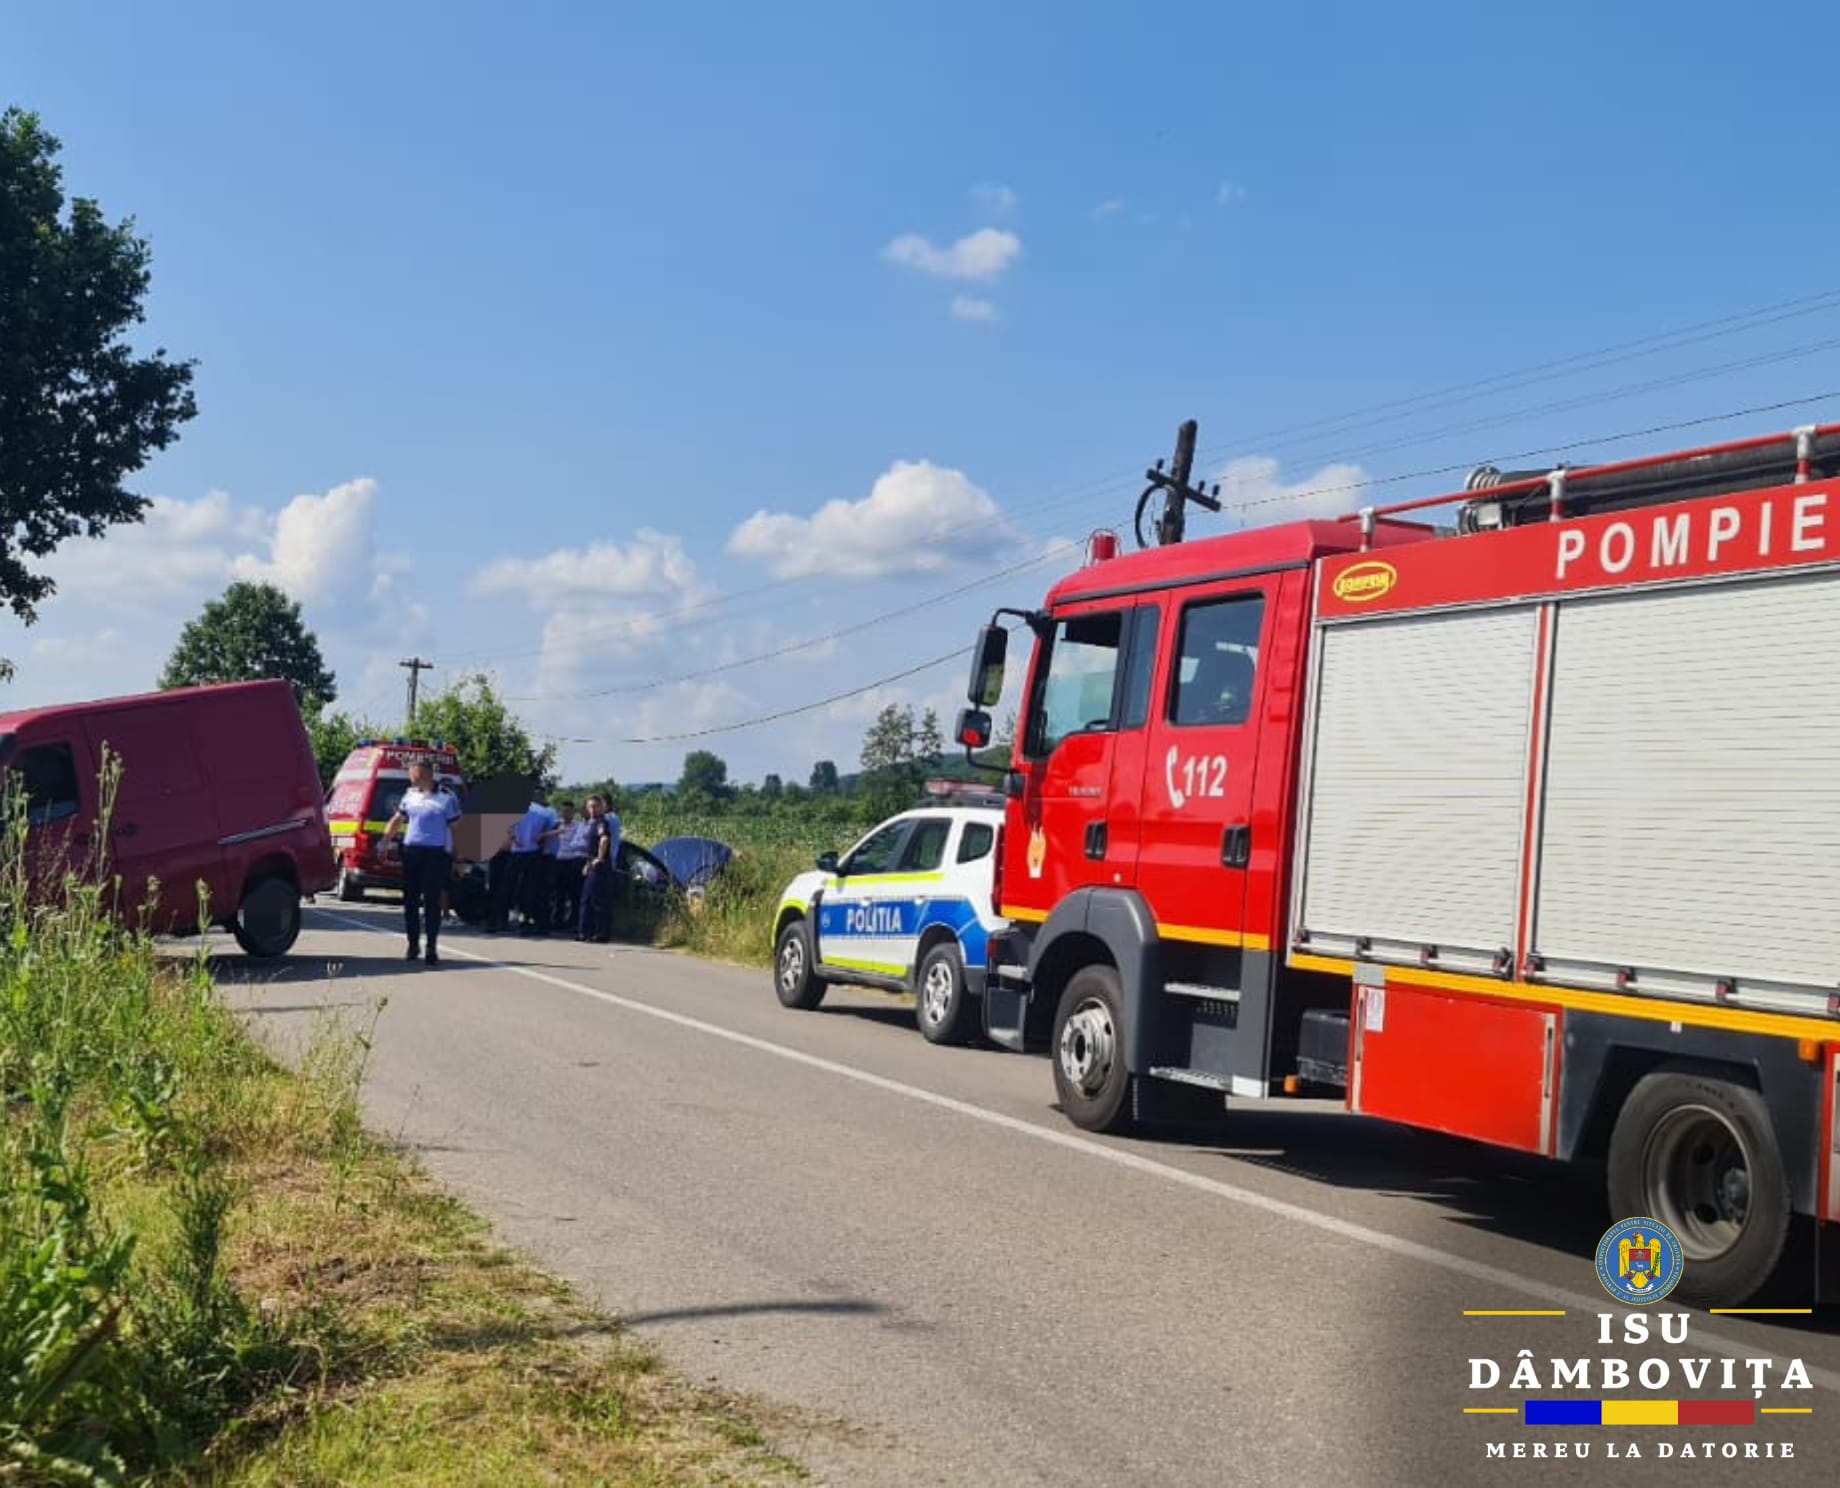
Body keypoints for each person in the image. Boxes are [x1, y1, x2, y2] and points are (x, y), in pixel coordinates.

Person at [384, 760, 462, 965]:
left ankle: (431, 947)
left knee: (432, 902)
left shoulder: (446, 798)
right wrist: (384, 842)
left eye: (414, 775)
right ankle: (412, 943)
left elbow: (457, 830)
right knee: (410, 901)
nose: (412, 778)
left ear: (426, 774)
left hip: (436, 854)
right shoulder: (410, 795)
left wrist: (459, 858)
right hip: (412, 852)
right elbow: (397, 820)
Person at [508, 788, 560, 936]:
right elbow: (558, 829)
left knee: (527, 888)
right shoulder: (546, 812)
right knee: (532, 889)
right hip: (538, 853)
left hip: (530, 853)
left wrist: (514, 837)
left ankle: (530, 921)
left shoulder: (545, 812)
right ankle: (532, 921)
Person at [577, 795, 615, 943]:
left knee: (597, 900)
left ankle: (601, 933)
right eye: (590, 806)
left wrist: (599, 858)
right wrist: (588, 863)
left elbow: (604, 839)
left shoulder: (601, 822)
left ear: (601, 807)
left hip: (600, 866)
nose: (592, 809)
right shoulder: (591, 823)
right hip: (591, 863)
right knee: (587, 898)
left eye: (595, 806)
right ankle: (585, 932)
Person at [551, 800, 591, 930]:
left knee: (574, 893)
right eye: (564, 811)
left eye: (568, 811)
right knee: (559, 894)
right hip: (558, 861)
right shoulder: (556, 825)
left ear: (573, 813)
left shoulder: (578, 827)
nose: (566, 814)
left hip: (572, 861)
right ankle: (557, 920)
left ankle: (573, 921)